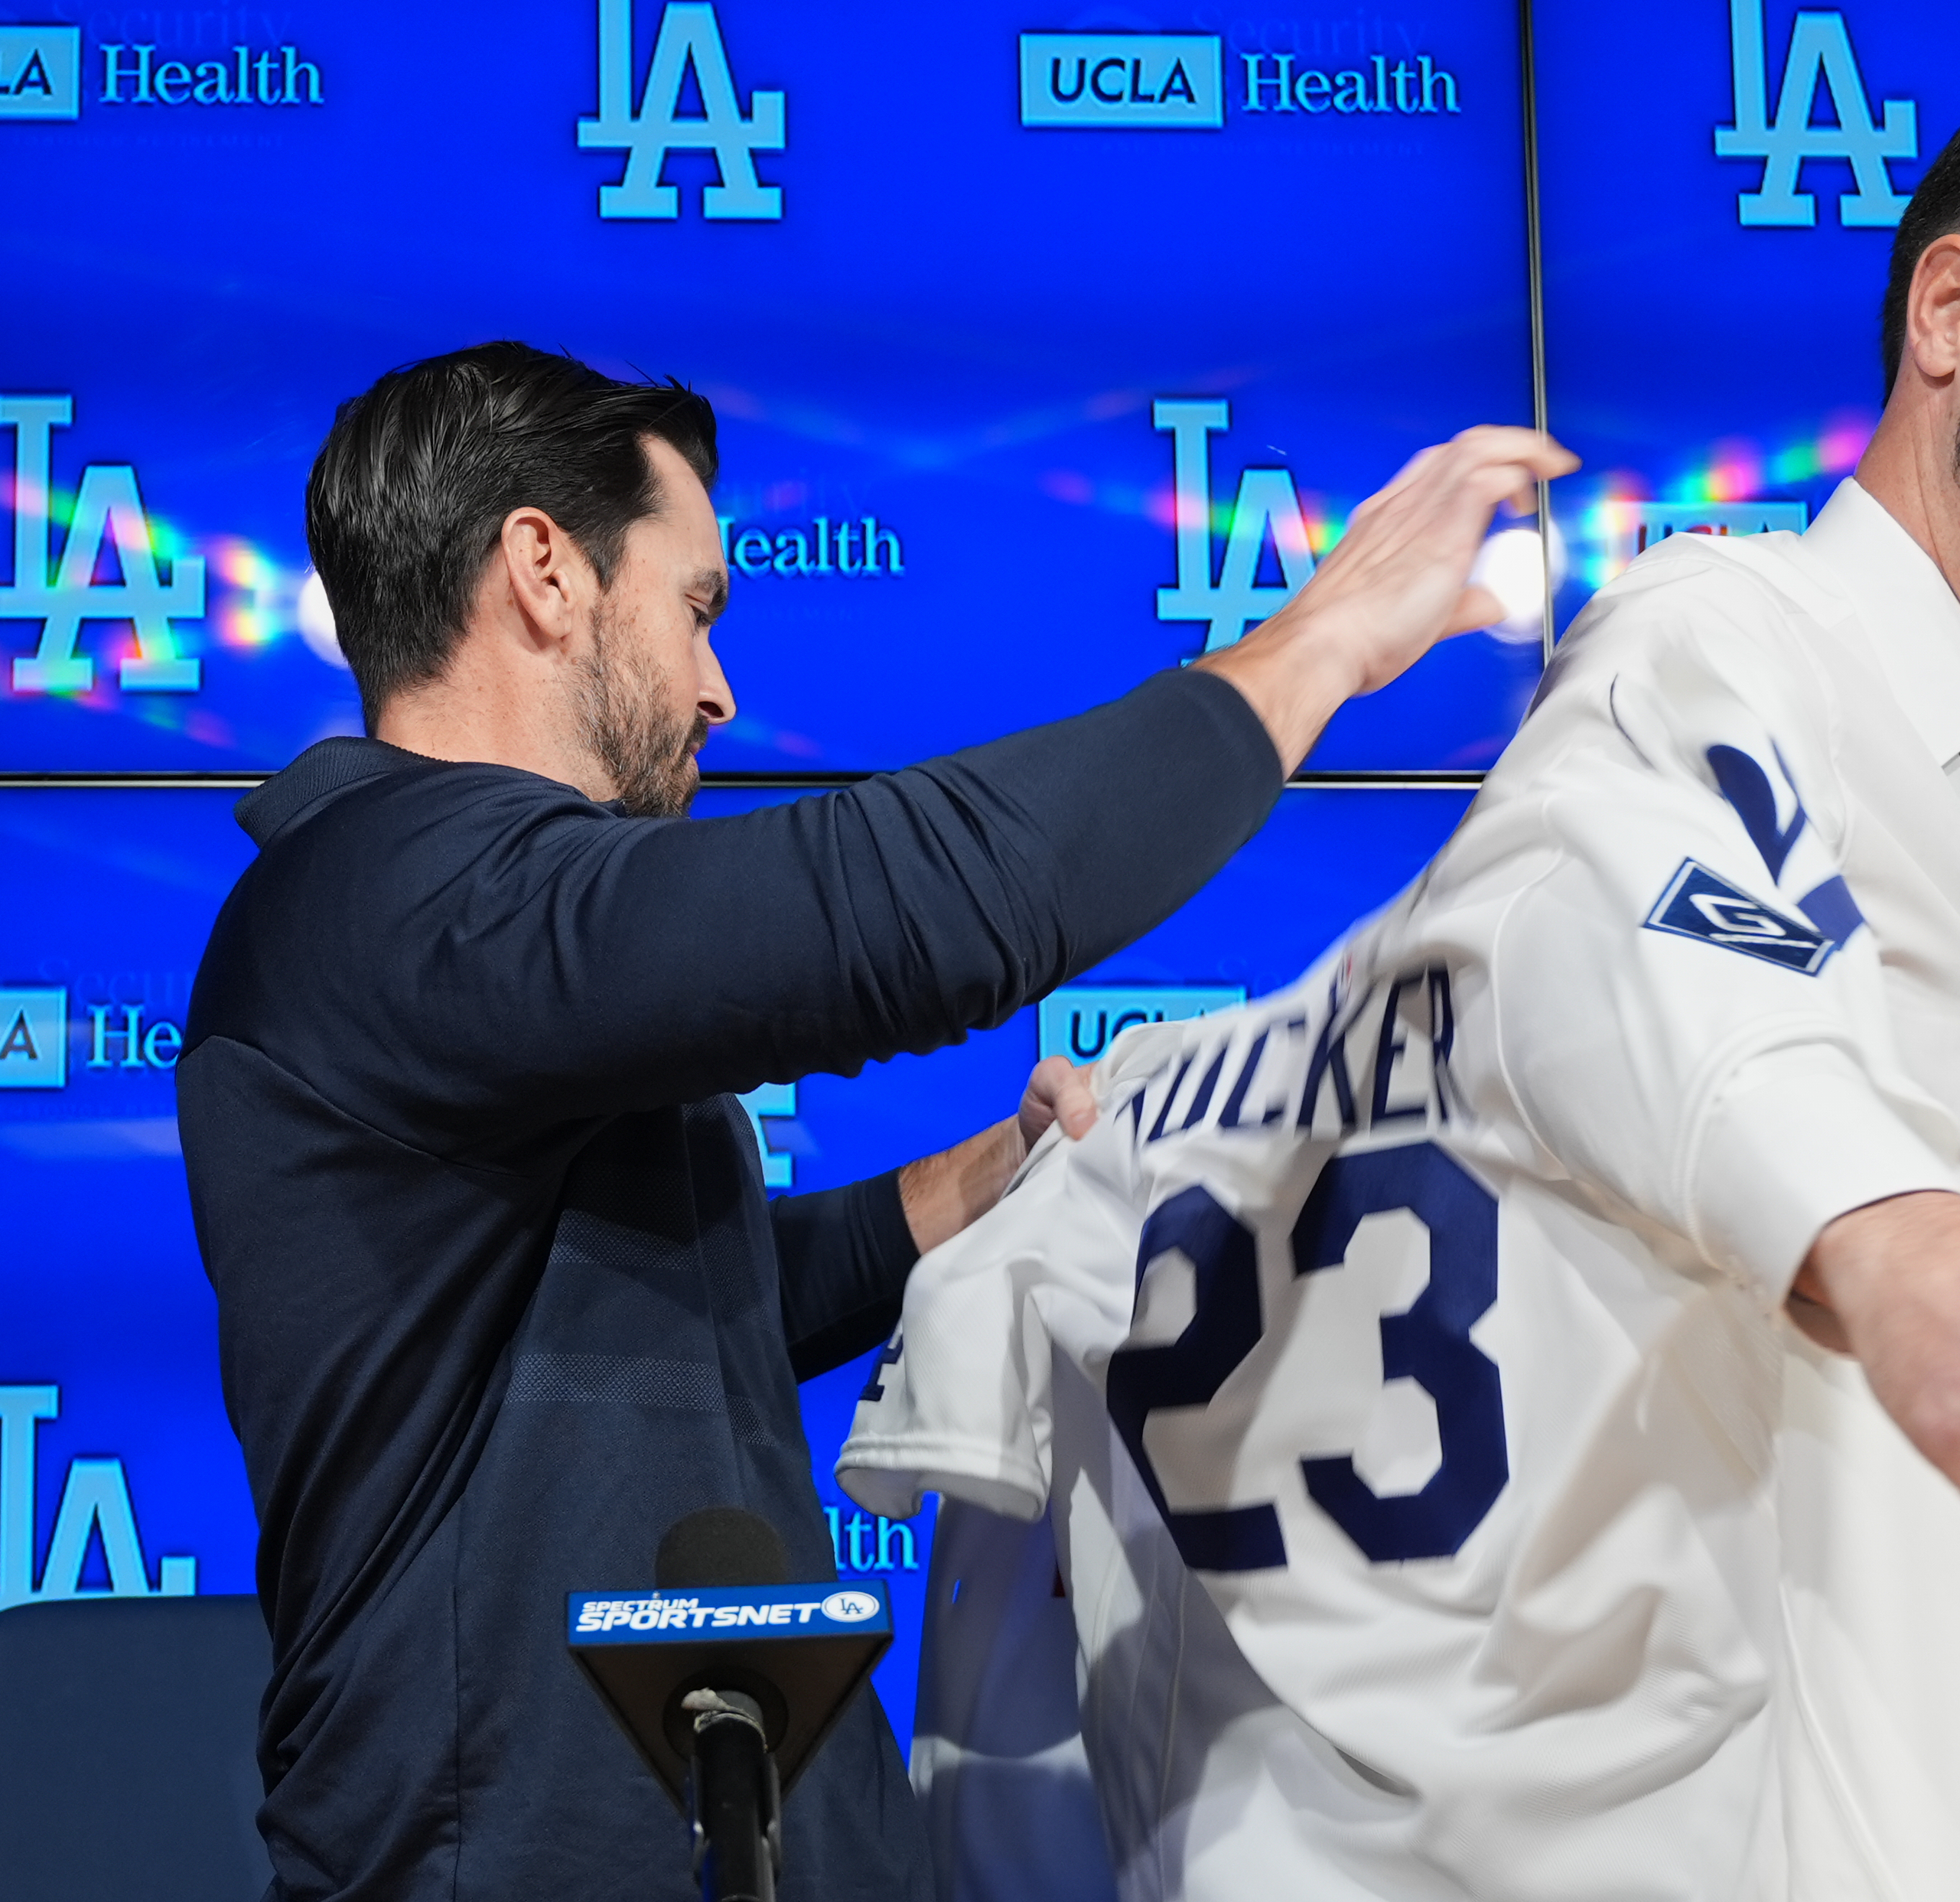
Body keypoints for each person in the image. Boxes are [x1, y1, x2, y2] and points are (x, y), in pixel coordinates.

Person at [842, 59, 1960, 1899]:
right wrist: (1906, 1251)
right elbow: (1629, 935)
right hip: (1596, 1784)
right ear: (1950, 310)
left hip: (1839, 1708)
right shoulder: (1716, 639)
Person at [174, 340, 1571, 1902]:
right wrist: (1316, 647)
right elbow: (891, 908)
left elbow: (676, 1303)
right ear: (544, 573)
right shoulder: (383, 895)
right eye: (695, 606)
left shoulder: (454, 939)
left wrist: (981, 1181)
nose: (719, 688)